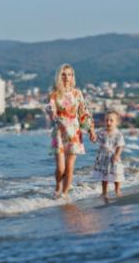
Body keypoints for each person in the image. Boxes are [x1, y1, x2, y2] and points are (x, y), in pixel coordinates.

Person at [45, 64, 97, 199]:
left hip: (74, 133)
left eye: (69, 74)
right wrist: (50, 111)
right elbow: (51, 110)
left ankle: (64, 194)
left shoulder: (77, 93)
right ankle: (58, 186)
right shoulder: (54, 94)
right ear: (59, 76)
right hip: (59, 133)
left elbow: (84, 112)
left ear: (72, 76)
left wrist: (91, 129)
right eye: (63, 74)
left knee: (69, 168)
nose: (66, 77)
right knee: (61, 168)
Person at [92, 110, 126, 198]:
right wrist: (91, 132)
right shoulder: (101, 132)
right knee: (104, 176)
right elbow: (94, 139)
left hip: (114, 156)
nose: (108, 122)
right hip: (103, 157)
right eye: (106, 120)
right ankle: (104, 192)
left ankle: (117, 189)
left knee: (117, 174)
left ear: (117, 122)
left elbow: (120, 145)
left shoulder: (118, 134)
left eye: (111, 120)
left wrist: (117, 155)